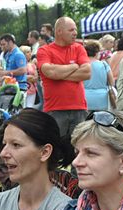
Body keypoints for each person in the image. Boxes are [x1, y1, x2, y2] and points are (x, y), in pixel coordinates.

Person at [36, 17, 90, 151]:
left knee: (79, 150)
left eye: (76, 29)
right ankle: (53, 173)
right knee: (53, 150)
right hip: (55, 109)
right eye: (71, 30)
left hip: (79, 108)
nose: (75, 33)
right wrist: (74, 67)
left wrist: (59, 74)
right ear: (59, 31)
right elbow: (50, 72)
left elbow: (87, 73)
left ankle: (77, 173)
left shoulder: (79, 48)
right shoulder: (44, 51)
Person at [83, 39, 113, 112]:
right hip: (102, 99)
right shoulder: (104, 64)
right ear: (96, 53)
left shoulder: (82, 65)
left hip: (85, 98)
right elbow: (111, 82)